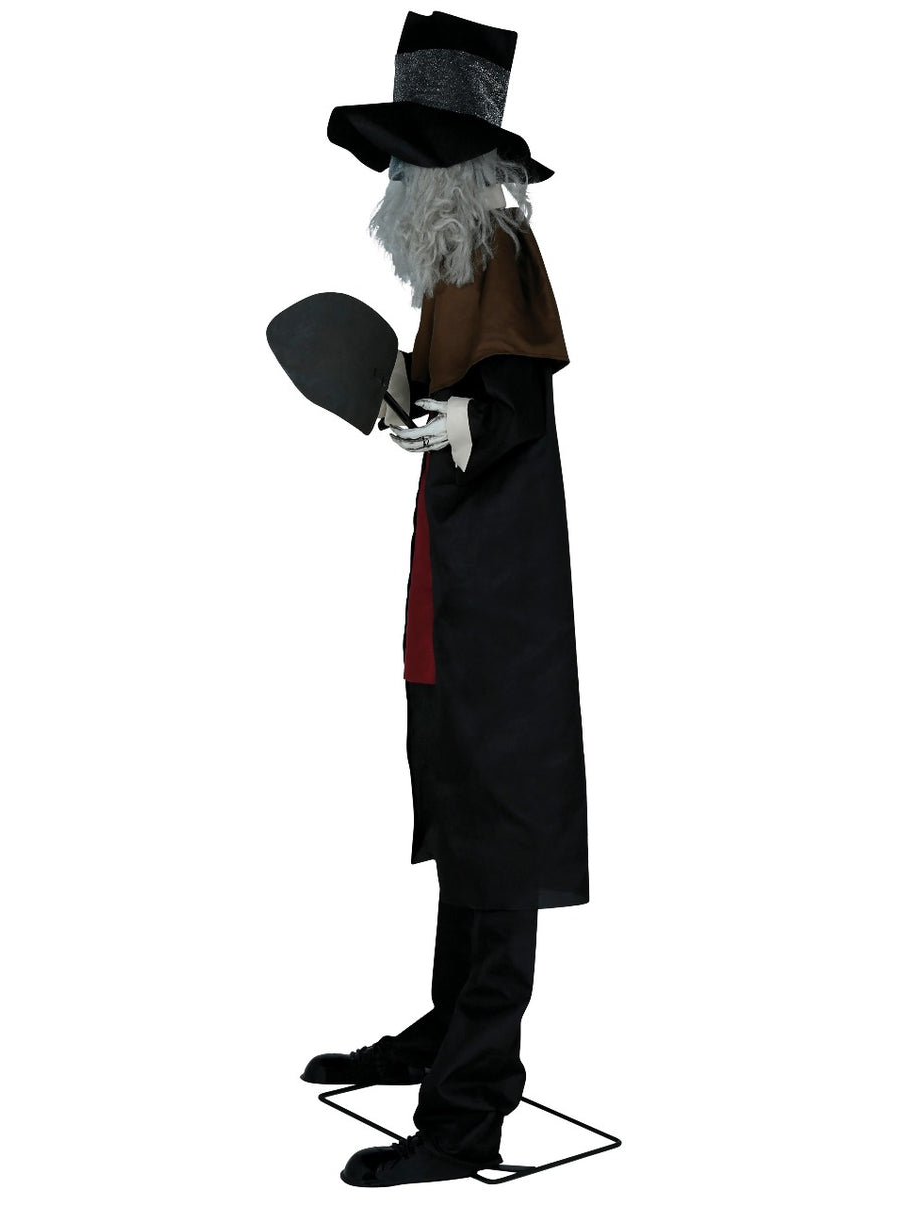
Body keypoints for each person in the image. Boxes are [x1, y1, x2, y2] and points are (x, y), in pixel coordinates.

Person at [301, 12, 590, 1187]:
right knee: (465, 812)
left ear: (459, 169)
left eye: (416, 160)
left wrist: (471, 416)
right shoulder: (451, 266)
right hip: (454, 583)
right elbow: (448, 392)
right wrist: (411, 404)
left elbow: (520, 389)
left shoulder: (497, 249)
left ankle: (472, 1104)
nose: (400, 182)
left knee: (502, 825)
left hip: (503, 602)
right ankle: (444, 1030)